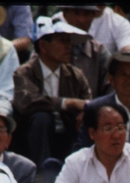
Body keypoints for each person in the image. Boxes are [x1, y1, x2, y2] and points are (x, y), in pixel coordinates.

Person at [12, 15, 92, 174]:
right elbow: (27, 102)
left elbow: (87, 101)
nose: (68, 46)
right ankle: (41, 175)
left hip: (68, 131)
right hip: (32, 136)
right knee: (42, 117)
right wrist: (67, 103)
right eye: (62, 41)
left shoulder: (75, 75)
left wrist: (85, 111)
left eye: (68, 41)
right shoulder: (24, 73)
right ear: (43, 45)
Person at [54, 4, 113, 98]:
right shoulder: (48, 47)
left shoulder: (99, 52)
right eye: (76, 13)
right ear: (65, 14)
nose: (81, 20)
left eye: (86, 14)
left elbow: (112, 91)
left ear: (93, 16)